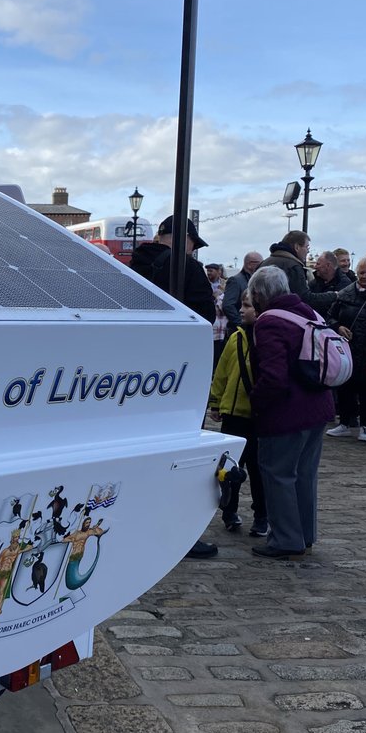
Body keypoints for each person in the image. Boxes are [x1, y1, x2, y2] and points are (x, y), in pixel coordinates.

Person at [132, 216, 217, 558]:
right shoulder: (189, 269)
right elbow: (205, 317)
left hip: (138, 374)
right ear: (184, 240)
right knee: (182, 455)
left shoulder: (132, 264)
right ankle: (179, 531)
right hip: (177, 374)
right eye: (194, 244)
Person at [245, 266, 335, 558]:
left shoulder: (269, 322)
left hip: (287, 412)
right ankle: (304, 534)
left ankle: (285, 539)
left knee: (278, 474)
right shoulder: (308, 311)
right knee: (305, 475)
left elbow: (273, 376)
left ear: (257, 294)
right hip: (318, 406)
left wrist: (256, 402)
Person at [209, 290, 268, 537]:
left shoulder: (267, 338)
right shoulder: (236, 338)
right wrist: (216, 400)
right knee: (231, 469)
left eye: (247, 306)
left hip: (256, 415)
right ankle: (229, 511)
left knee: (258, 470)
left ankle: (261, 515)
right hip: (233, 414)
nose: (241, 310)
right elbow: (222, 370)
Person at [325, 257, 366, 441]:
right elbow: (329, 316)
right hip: (346, 346)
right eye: (361, 273)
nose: (364, 277)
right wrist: (338, 327)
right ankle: (344, 422)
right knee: (345, 386)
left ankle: (365, 426)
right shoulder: (346, 293)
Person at [130, 217, 216, 323]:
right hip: (175, 333)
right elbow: (206, 313)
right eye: (194, 244)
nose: (192, 250)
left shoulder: (136, 261)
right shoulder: (188, 265)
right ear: (185, 237)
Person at [259, 231, 311, 298]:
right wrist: (328, 296)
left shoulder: (265, 262)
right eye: (307, 247)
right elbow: (304, 298)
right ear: (297, 247)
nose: (308, 251)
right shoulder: (294, 267)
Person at [222, 251, 263, 334]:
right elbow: (228, 305)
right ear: (249, 264)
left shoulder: (252, 280)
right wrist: (241, 324)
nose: (262, 266)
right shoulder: (235, 280)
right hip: (238, 331)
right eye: (260, 263)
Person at [206, 263, 229, 370]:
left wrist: (218, 297)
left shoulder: (226, 285)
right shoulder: (205, 284)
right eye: (208, 271)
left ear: (218, 271)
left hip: (222, 328)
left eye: (211, 270)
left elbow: (225, 306)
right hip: (211, 328)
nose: (208, 273)